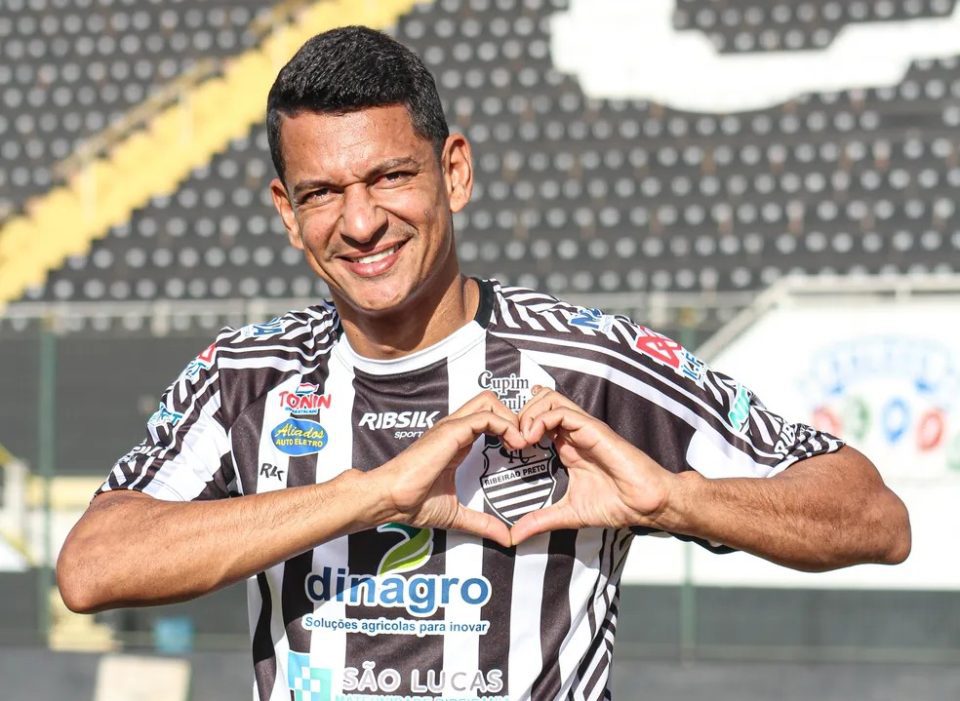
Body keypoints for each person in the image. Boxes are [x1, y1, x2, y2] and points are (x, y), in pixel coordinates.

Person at [57, 26, 910, 701]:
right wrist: (371, 494)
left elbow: (873, 514)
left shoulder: (592, 361)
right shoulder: (245, 374)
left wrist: (673, 499)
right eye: (322, 193)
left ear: (454, 172)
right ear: (287, 211)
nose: (360, 221)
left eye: (390, 176)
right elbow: (93, 564)